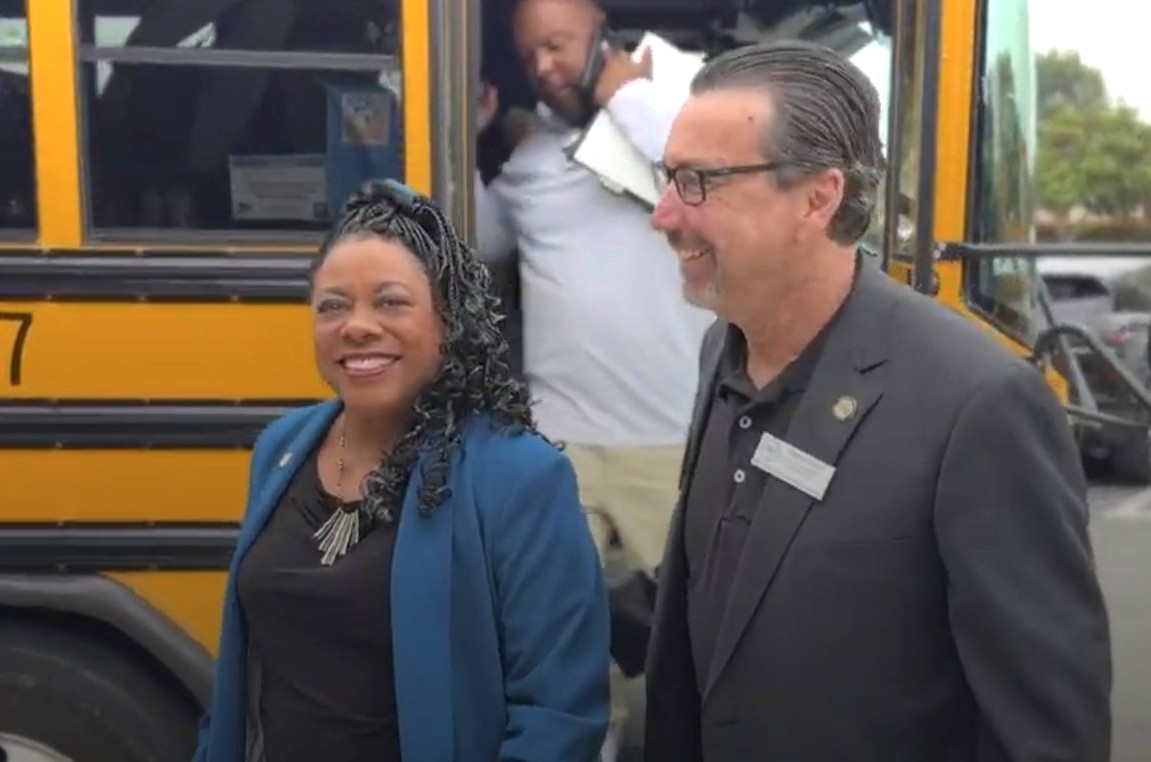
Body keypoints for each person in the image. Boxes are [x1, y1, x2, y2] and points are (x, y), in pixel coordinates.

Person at [642, 40, 1114, 761]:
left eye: (699, 181)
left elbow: (1046, 735)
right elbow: (727, 592)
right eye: (667, 178)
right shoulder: (723, 350)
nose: (664, 215)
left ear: (819, 196)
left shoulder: (979, 405)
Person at [192, 180, 610, 762]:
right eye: (332, 306)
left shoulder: (519, 478)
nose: (357, 325)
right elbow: (241, 678)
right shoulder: (281, 448)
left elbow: (559, 715)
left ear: (449, 321)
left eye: (390, 301)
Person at [474, 0, 713, 753]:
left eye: (556, 44)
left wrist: (625, 94)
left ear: (601, 37)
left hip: (669, 440)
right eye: (528, 54)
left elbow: (698, 178)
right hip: (559, 446)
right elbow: (482, 242)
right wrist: (469, 138)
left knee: (700, 643)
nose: (541, 66)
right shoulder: (531, 159)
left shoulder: (675, 116)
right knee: (558, 648)